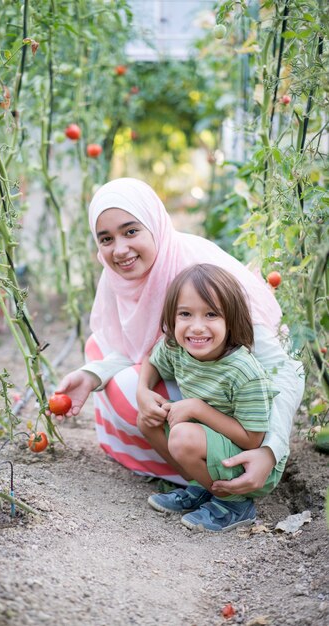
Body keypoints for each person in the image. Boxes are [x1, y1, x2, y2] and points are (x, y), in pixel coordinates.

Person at [56, 178, 304, 500]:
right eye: (106, 238)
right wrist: (92, 376)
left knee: (129, 388)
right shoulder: (119, 279)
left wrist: (270, 450)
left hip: (244, 400)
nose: (119, 250)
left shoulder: (201, 278)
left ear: (155, 225)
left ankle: (230, 475)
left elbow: (286, 369)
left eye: (131, 231)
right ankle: (197, 481)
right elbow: (136, 346)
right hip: (200, 372)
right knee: (109, 362)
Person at [138, 263, 281, 531]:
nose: (197, 327)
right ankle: (200, 486)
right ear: (172, 317)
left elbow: (253, 439)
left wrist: (197, 408)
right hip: (211, 441)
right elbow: (153, 362)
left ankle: (235, 503)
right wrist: (143, 392)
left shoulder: (243, 371)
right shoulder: (176, 348)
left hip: (247, 459)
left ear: (231, 319)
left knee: (182, 437)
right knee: (147, 419)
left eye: (211, 314)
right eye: (185, 314)